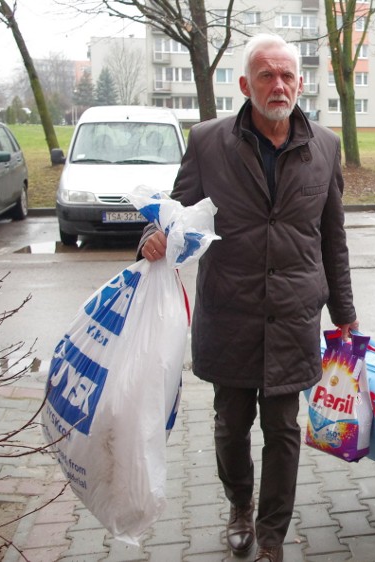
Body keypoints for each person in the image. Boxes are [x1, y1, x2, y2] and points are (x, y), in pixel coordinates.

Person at [139, 33, 357, 562]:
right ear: (245, 84)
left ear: (300, 84)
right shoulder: (208, 142)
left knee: (283, 431)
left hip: (293, 315)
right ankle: (240, 504)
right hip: (229, 312)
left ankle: (271, 538)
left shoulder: (325, 147)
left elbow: (332, 236)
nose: (278, 85)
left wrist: (345, 315)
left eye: (287, 76)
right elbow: (176, 215)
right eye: (267, 75)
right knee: (230, 427)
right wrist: (152, 240)